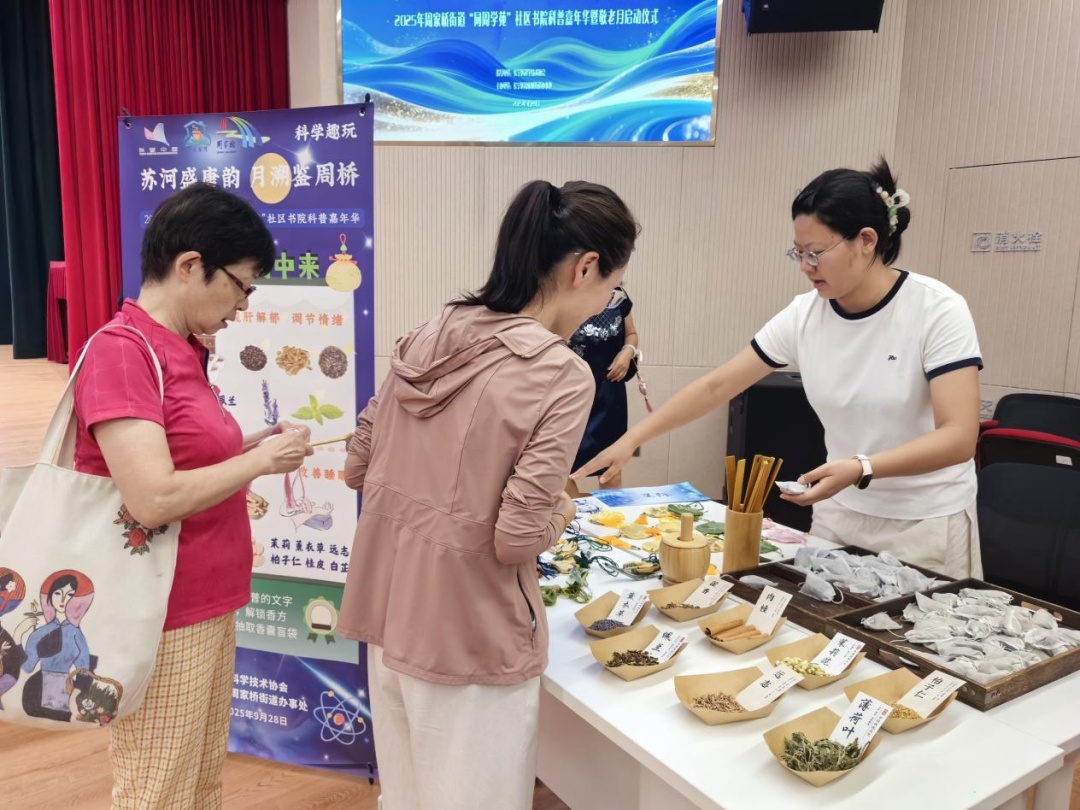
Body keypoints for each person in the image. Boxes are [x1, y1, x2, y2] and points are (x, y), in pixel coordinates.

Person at [338, 179, 639, 810]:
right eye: (613, 288)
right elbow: (517, 538)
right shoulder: (559, 372)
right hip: (471, 636)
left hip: (389, 615)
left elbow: (357, 464)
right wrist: (564, 505)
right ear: (586, 268)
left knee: (408, 799)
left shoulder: (432, 330)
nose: (606, 304)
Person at [575, 159, 983, 579]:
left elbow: (958, 437)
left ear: (866, 240)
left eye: (816, 253)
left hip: (926, 522)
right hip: (838, 512)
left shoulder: (936, 309)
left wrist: (861, 467)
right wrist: (631, 440)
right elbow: (717, 386)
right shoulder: (806, 313)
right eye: (798, 252)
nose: (805, 265)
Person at [73, 182, 312, 809]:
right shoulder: (123, 352)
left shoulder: (179, 350)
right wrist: (260, 461)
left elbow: (187, 458)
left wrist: (257, 444)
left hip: (203, 599)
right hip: (163, 609)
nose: (242, 306)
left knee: (197, 783)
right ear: (190, 265)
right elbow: (153, 498)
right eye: (240, 286)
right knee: (157, 789)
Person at [564, 286, 641, 496]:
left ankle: (609, 513)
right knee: (561, 468)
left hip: (609, 392)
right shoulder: (564, 294)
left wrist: (627, 352)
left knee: (611, 469)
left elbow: (631, 334)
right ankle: (578, 511)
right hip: (571, 392)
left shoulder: (619, 297)